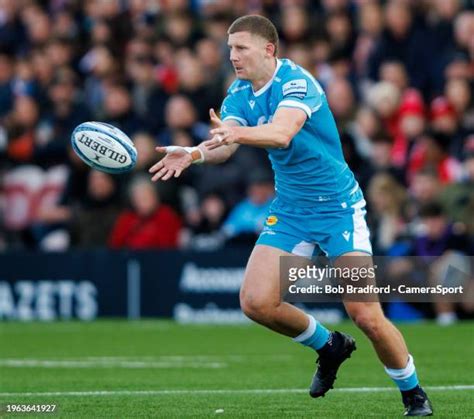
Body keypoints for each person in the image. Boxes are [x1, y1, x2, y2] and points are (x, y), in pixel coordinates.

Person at [149, 15, 432, 416]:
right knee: (255, 301)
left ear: (269, 49)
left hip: (338, 210)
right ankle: (330, 346)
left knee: (365, 314)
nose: (233, 56)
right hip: (292, 209)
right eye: (230, 48)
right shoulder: (239, 92)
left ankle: (413, 392)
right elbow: (225, 144)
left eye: (241, 47)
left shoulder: (297, 83)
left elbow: (281, 133)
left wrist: (235, 135)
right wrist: (194, 153)